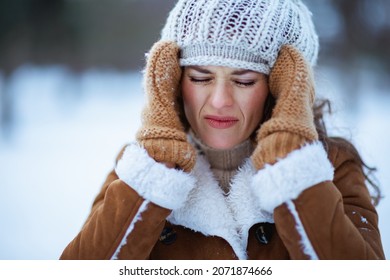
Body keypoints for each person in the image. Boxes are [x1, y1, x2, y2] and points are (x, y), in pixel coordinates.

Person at [60, 0, 385, 260]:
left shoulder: (331, 166)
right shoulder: (140, 169)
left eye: (244, 81)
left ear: (283, 87)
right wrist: (157, 171)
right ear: (174, 79)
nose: (219, 101)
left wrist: (290, 162)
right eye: (200, 78)